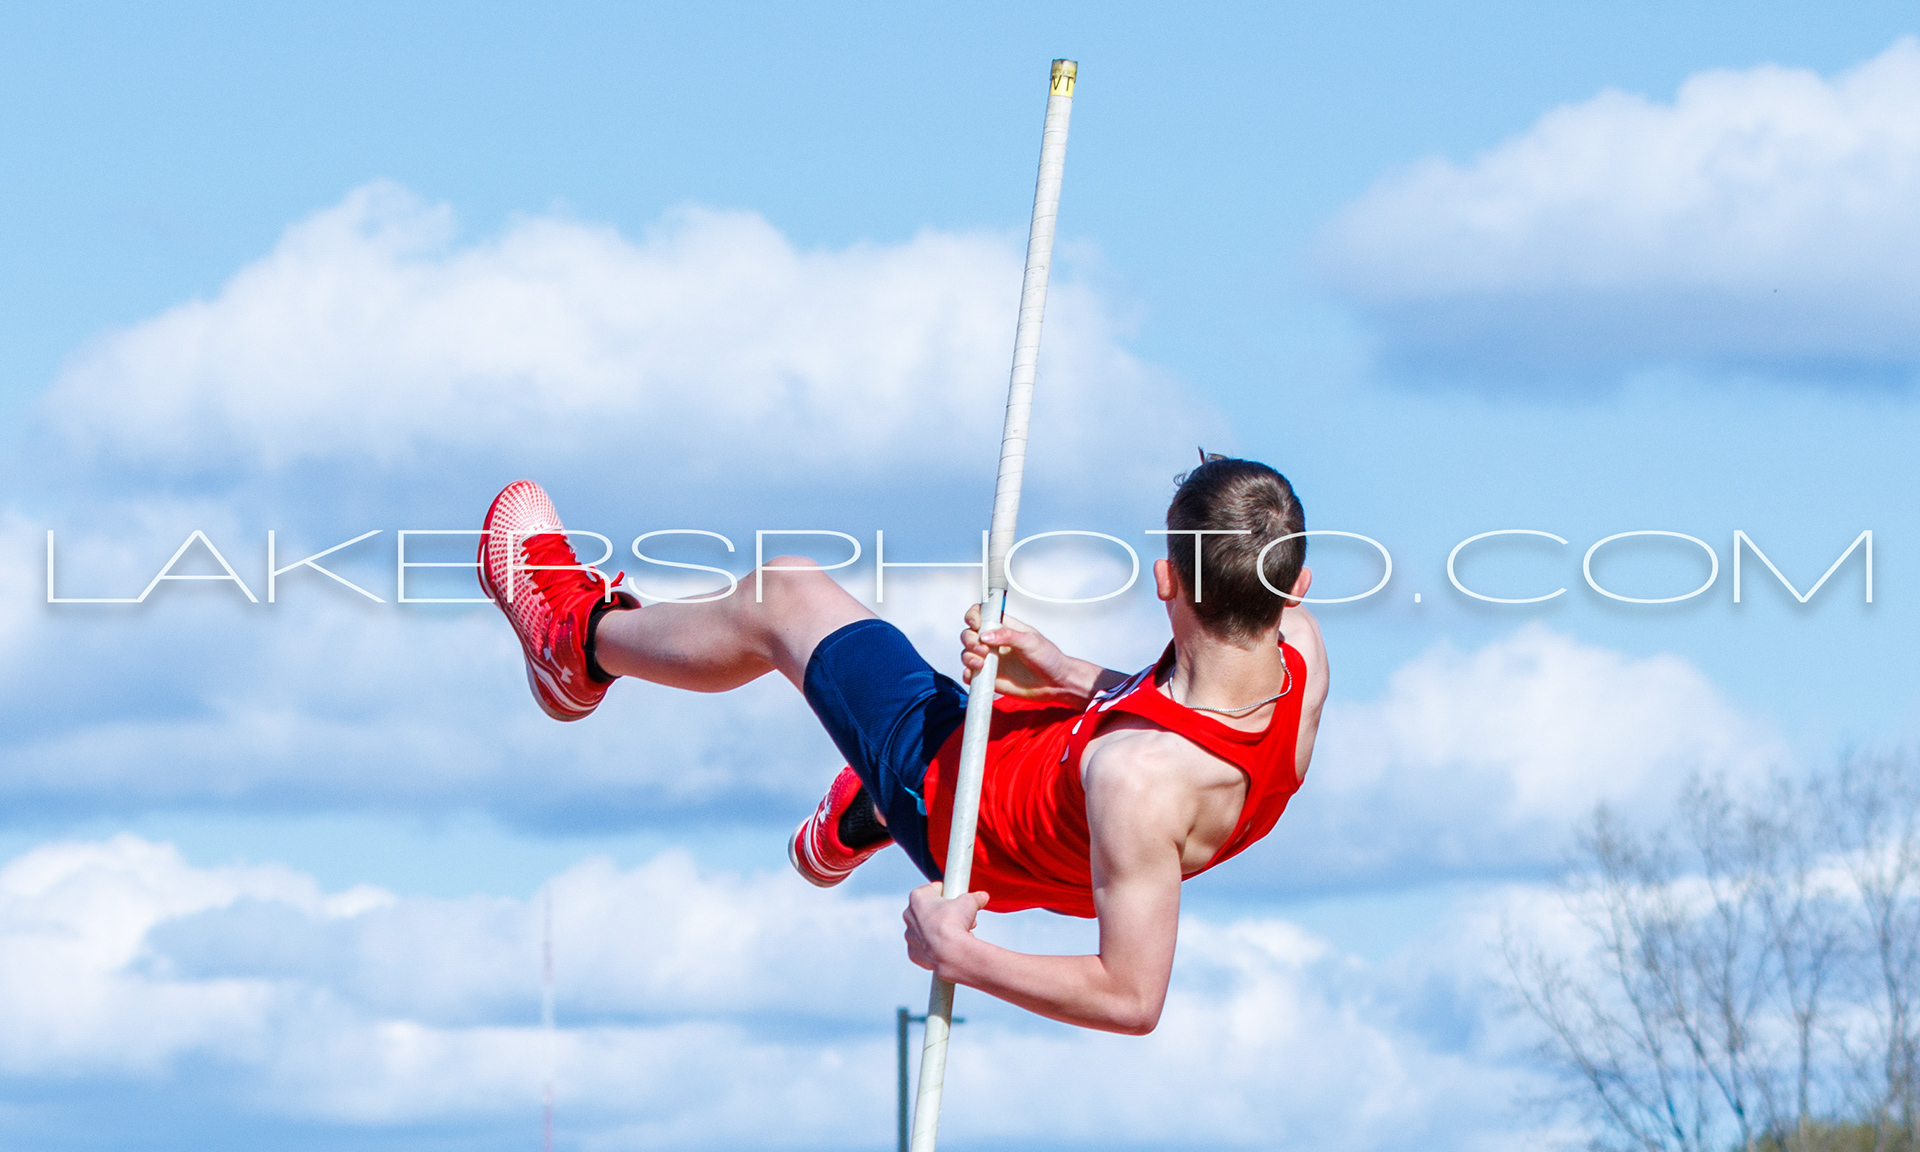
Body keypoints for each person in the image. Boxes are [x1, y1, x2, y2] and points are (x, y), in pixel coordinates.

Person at [477, 457, 1327, 1035]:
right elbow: (1188, 711)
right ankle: (866, 811)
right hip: (1060, 787)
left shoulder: (1137, 778)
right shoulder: (1299, 656)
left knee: (784, 595)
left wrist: (958, 952)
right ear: (1294, 585)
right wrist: (1070, 673)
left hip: (955, 802)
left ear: (1166, 579)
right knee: (1017, 711)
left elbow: (1132, 997)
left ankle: (576, 644)